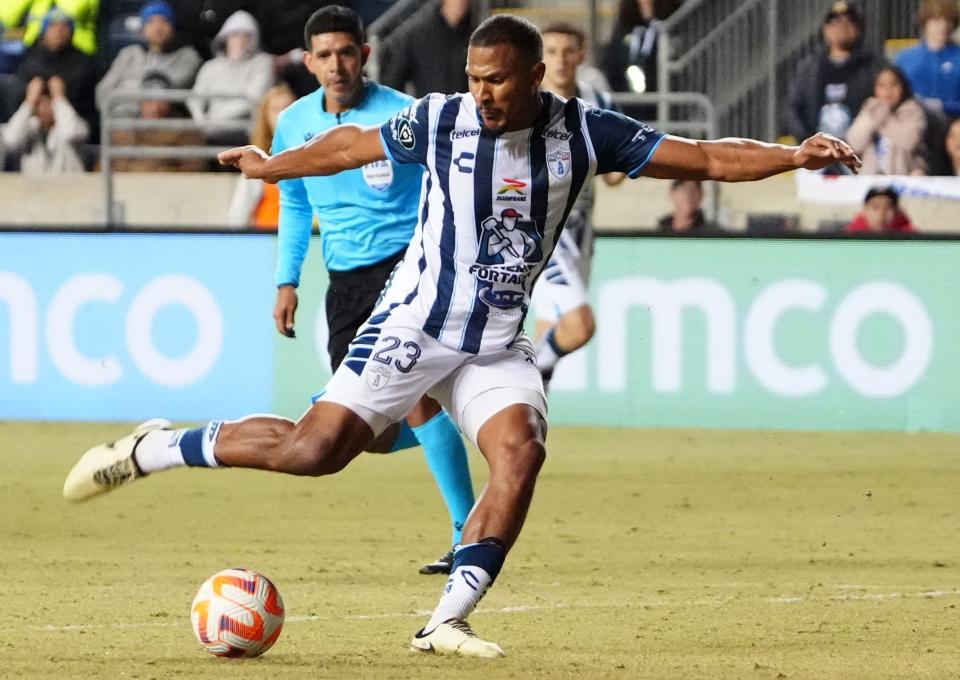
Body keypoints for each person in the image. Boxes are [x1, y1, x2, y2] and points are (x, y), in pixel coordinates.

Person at [64, 13, 860, 658]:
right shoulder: (441, 120)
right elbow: (350, 144)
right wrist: (274, 169)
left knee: (520, 451)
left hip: (497, 343)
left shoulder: (587, 133)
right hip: (413, 322)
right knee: (316, 452)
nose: (480, 92)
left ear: (535, 76)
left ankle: (446, 618)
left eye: (497, 79)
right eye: (473, 77)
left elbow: (707, 158)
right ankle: (156, 446)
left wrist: (794, 155)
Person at [239, 6, 475, 574]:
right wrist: (287, 279)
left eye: (347, 52)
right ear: (308, 61)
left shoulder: (400, 114)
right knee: (365, 431)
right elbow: (293, 202)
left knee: (411, 394)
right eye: (325, 55)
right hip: (345, 279)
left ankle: (470, 534)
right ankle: (460, 421)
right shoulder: (294, 122)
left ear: (364, 55)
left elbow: (445, 186)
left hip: (408, 267)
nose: (337, 64)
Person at [531, 22, 626, 389]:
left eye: (568, 51)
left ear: (581, 54)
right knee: (579, 324)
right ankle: (515, 381)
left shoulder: (597, 103)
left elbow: (616, 173)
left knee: (548, 336)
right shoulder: (531, 106)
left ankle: (526, 430)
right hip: (543, 235)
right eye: (551, 51)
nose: (560, 60)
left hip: (581, 236)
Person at [786, 1, 879, 143]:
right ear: (825, 29)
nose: (841, 27)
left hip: (861, 153)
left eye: (848, 22)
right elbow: (793, 107)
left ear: (858, 28)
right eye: (834, 22)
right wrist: (807, 140)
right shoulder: (810, 67)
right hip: (817, 152)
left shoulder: (873, 65)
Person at [96, 1, 202, 119]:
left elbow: (161, 91)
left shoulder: (188, 56)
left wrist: (124, 88)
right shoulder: (128, 53)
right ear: (142, 29)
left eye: (164, 20)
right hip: (120, 124)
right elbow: (103, 91)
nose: (157, 27)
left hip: (165, 127)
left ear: (172, 27)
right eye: (150, 22)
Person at [187, 10, 274, 147]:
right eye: (235, 35)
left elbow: (252, 98)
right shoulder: (211, 66)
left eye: (247, 36)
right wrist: (201, 121)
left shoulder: (263, 62)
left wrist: (214, 122)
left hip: (245, 127)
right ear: (225, 38)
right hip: (209, 128)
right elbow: (194, 98)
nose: (240, 41)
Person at [12, 8, 96, 134]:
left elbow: (83, 98)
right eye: (53, 26)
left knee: (68, 133)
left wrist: (57, 103)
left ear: (71, 32)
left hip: (72, 119)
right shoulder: (30, 59)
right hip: (34, 116)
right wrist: (39, 104)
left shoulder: (83, 62)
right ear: (44, 31)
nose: (59, 31)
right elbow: (19, 93)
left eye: (64, 26)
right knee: (14, 135)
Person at [226, 83, 297, 228]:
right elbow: (238, 216)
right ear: (266, 118)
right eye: (276, 110)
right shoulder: (257, 163)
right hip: (269, 241)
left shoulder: (316, 158)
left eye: (288, 107)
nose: (283, 114)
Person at [846, 65, 928, 176]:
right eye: (882, 86)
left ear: (902, 86)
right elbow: (854, 144)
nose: (888, 90)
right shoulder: (870, 109)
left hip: (905, 177)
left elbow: (909, 141)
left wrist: (884, 115)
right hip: (870, 178)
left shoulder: (913, 111)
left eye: (893, 85)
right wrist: (873, 117)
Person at [378, 0, 472, 97]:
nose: (462, 2)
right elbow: (393, 80)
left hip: (465, 109)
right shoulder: (418, 34)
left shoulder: (474, 31)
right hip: (429, 109)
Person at [1, 73, 88, 174]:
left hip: (70, 187)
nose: (44, 109)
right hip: (33, 188)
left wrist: (59, 96)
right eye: (39, 103)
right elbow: (11, 139)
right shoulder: (28, 126)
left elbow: (69, 133)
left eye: (49, 103)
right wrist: (29, 102)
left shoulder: (78, 124)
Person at [895, 0, 960, 118]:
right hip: (913, 122)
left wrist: (944, 106)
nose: (943, 26)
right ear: (925, 22)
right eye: (936, 20)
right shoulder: (905, 58)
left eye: (948, 20)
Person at [656, 179, 723, 235]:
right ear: (672, 194)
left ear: (701, 194)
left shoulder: (711, 233)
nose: (688, 195)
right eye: (683, 189)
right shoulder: (661, 230)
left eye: (693, 190)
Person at [844, 185, 916, 235]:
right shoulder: (851, 236)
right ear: (864, 210)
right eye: (875, 207)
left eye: (888, 207)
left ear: (897, 211)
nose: (881, 213)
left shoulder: (909, 236)